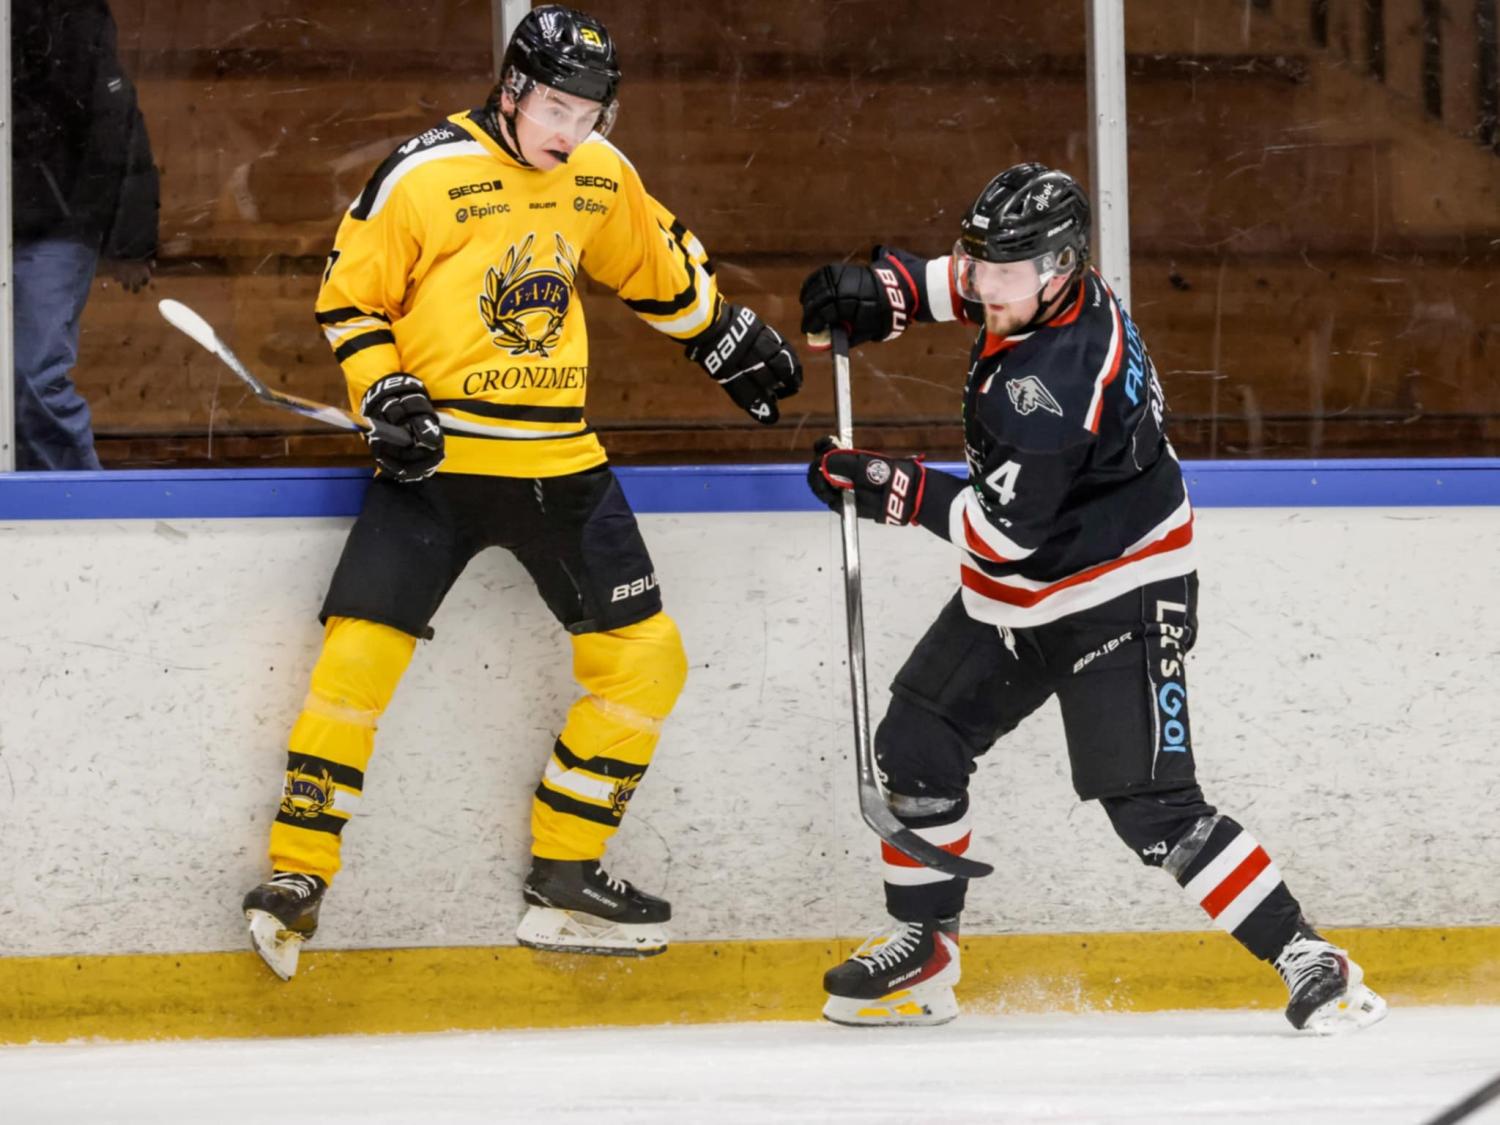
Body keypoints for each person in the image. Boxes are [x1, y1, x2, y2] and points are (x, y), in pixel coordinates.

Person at [240, 4, 802, 979]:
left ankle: (568, 878)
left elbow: (653, 265)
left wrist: (718, 333)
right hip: (437, 470)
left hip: (559, 468)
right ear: (510, 92)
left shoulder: (597, 172)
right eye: (552, 106)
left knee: (648, 661)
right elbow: (351, 299)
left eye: (588, 113)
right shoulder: (423, 173)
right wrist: (386, 393)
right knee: (355, 665)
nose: (568, 130)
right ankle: (297, 876)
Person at [798, 163, 1385, 1034]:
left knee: (1152, 809)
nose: (984, 286)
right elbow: (976, 280)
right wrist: (893, 288)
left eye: (1004, 272)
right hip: (1031, 584)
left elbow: (1002, 535)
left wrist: (896, 486)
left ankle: (1312, 959)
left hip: (1122, 591)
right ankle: (926, 951)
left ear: (1061, 269)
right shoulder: (1043, 282)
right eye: (982, 264)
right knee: (918, 742)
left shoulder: (1057, 384)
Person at [10, 0, 158, 471]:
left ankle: (77, 502)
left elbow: (116, 118)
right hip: (35, 211)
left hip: (54, 219)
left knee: (33, 371)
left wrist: (130, 240)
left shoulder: (68, 14)